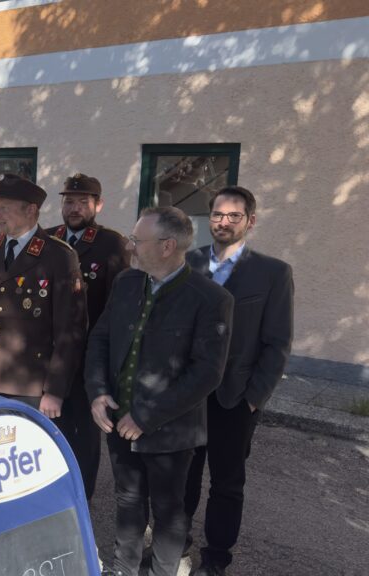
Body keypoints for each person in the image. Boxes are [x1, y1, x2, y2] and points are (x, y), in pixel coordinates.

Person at [85, 206, 233, 576]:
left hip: (170, 429)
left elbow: (207, 373)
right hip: (118, 419)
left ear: (167, 246)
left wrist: (146, 417)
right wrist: (98, 392)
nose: (130, 246)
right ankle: (124, 569)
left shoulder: (210, 298)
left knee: (169, 511)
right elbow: (101, 338)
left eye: (137, 240)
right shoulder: (126, 282)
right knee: (127, 499)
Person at [183, 186, 294, 576]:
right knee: (182, 475)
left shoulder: (273, 273)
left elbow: (277, 343)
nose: (224, 222)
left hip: (235, 398)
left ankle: (215, 558)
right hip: (187, 396)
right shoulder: (188, 263)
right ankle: (174, 544)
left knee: (227, 484)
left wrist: (254, 398)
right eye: (217, 214)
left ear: (250, 220)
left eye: (233, 215)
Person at [0, 174, 87, 412]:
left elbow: (70, 330)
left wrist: (55, 390)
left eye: (4, 208)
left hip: (30, 384)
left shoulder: (59, 256)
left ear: (31, 210)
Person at [45, 173, 130, 500]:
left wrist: (107, 365)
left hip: (85, 361)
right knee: (47, 431)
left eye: (83, 202)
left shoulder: (111, 244)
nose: (75, 208)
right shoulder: (48, 239)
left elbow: (117, 308)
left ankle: (79, 502)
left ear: (99, 205)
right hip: (47, 357)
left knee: (82, 437)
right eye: (69, 201)